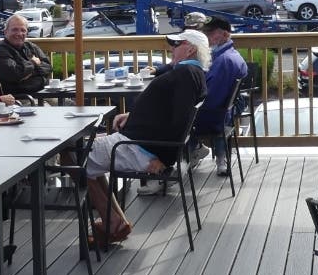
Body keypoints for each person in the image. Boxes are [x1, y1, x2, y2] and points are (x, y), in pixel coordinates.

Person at [83, 30, 209, 243]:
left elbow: (179, 122)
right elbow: (168, 111)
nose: (172, 48)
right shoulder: (192, 73)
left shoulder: (186, 75)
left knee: (75, 155)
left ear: (191, 49)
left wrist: (163, 159)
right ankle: (115, 221)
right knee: (88, 159)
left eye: (177, 44)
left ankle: (112, 223)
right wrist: (133, 115)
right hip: (135, 142)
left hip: (137, 148)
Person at [189, 16, 249, 176]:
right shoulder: (229, 55)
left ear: (224, 35)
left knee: (174, 119)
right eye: (205, 33)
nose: (206, 37)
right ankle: (207, 154)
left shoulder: (224, 61)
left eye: (210, 33)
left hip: (215, 116)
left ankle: (179, 162)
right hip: (225, 113)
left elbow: (210, 100)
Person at [0, 12, 53, 102]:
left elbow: (48, 67)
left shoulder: (30, 46)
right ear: (5, 32)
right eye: (15, 30)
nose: (19, 33)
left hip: (43, 93)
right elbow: (14, 74)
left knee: (69, 105)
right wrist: (33, 63)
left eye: (23, 30)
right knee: (54, 112)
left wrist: (27, 72)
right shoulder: (0, 51)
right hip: (21, 99)